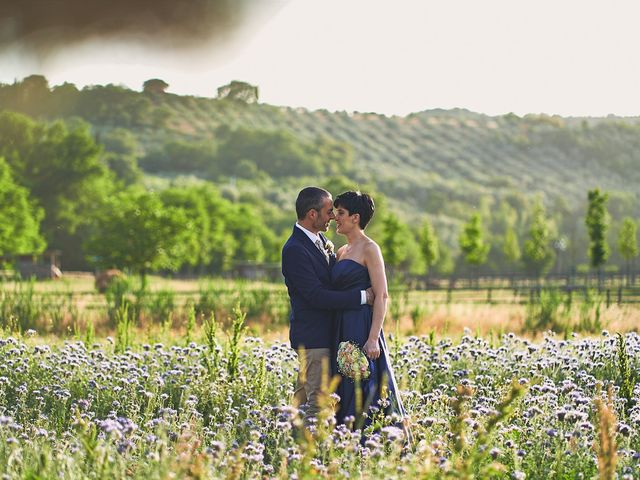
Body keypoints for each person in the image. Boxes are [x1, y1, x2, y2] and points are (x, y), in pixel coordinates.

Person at [281, 186, 372, 427]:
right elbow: (316, 296)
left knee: (305, 400)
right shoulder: (294, 249)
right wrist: (362, 297)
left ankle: (295, 451)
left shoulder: (322, 241)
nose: (333, 216)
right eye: (328, 211)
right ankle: (310, 458)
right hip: (314, 338)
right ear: (312, 214)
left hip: (329, 335)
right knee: (318, 404)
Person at [331, 190, 408, 434]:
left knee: (364, 381)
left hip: (362, 326)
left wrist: (373, 337)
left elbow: (382, 295)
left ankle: (371, 440)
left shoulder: (370, 248)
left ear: (355, 218)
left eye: (340, 213)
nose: (335, 217)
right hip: (341, 325)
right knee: (343, 382)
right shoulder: (341, 251)